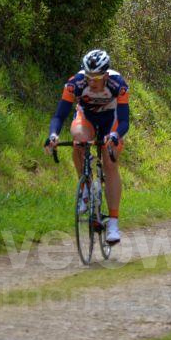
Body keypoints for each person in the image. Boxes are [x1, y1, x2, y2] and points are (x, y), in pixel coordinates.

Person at [45, 49, 129, 245]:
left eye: (97, 77)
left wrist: (116, 135)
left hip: (112, 119)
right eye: (89, 76)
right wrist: (53, 135)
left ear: (106, 75)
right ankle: (85, 187)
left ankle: (113, 224)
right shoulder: (76, 83)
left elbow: (124, 121)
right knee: (78, 139)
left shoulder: (119, 84)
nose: (92, 81)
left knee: (109, 162)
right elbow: (59, 116)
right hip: (87, 117)